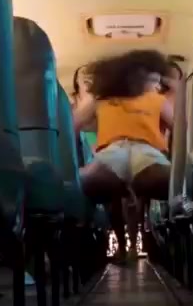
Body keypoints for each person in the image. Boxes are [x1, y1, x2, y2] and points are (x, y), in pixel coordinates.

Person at [73, 50, 178, 258]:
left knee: (87, 180)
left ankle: (124, 247)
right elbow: (183, 129)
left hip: (112, 154)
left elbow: (72, 125)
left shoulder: (103, 100)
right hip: (147, 153)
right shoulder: (156, 99)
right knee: (171, 182)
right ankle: (137, 245)